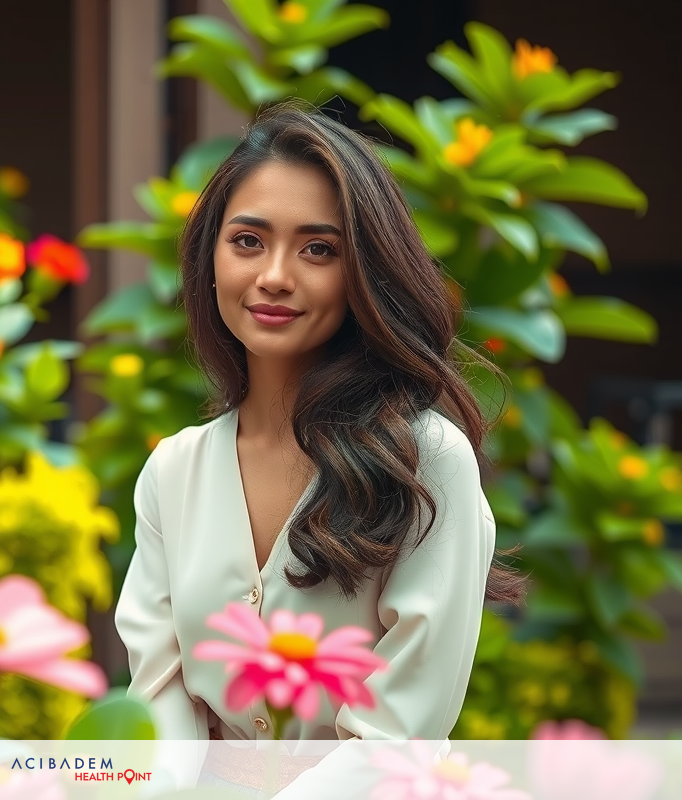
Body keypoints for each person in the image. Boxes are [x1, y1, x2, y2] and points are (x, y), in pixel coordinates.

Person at [113, 103, 525, 794]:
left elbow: (402, 734)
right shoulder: (173, 472)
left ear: (365, 272)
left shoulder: (426, 461)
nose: (275, 275)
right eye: (248, 241)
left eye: (318, 249)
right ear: (209, 258)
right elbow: (159, 706)